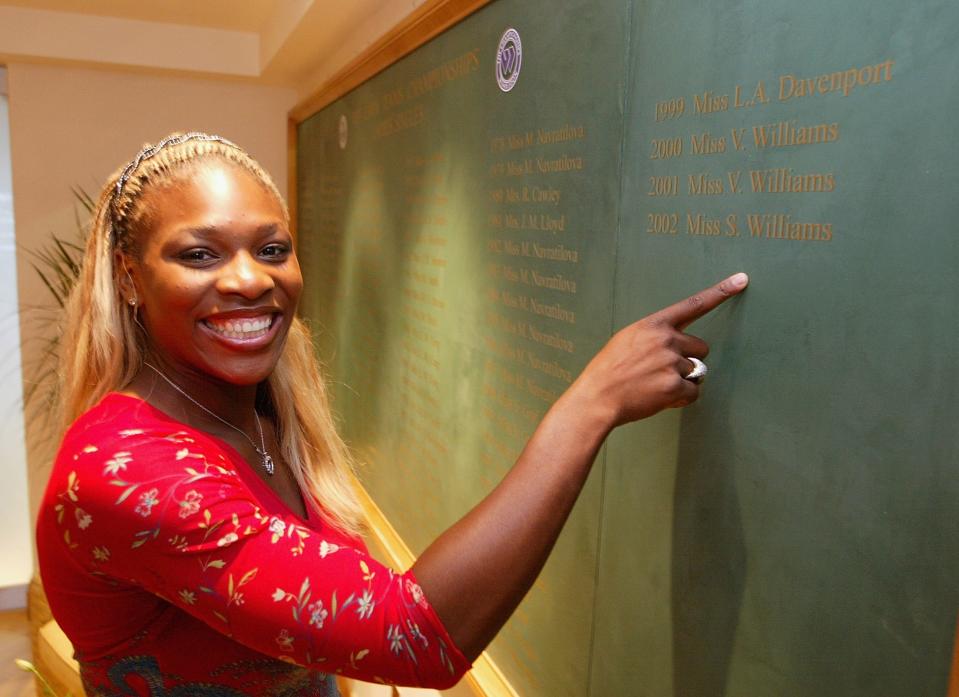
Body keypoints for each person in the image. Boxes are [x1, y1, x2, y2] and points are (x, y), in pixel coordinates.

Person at [36, 132, 748, 696]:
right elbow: (416, 634)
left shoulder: (259, 403)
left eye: (272, 248)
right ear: (130, 278)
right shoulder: (126, 471)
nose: (250, 279)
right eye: (198, 253)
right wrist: (591, 402)